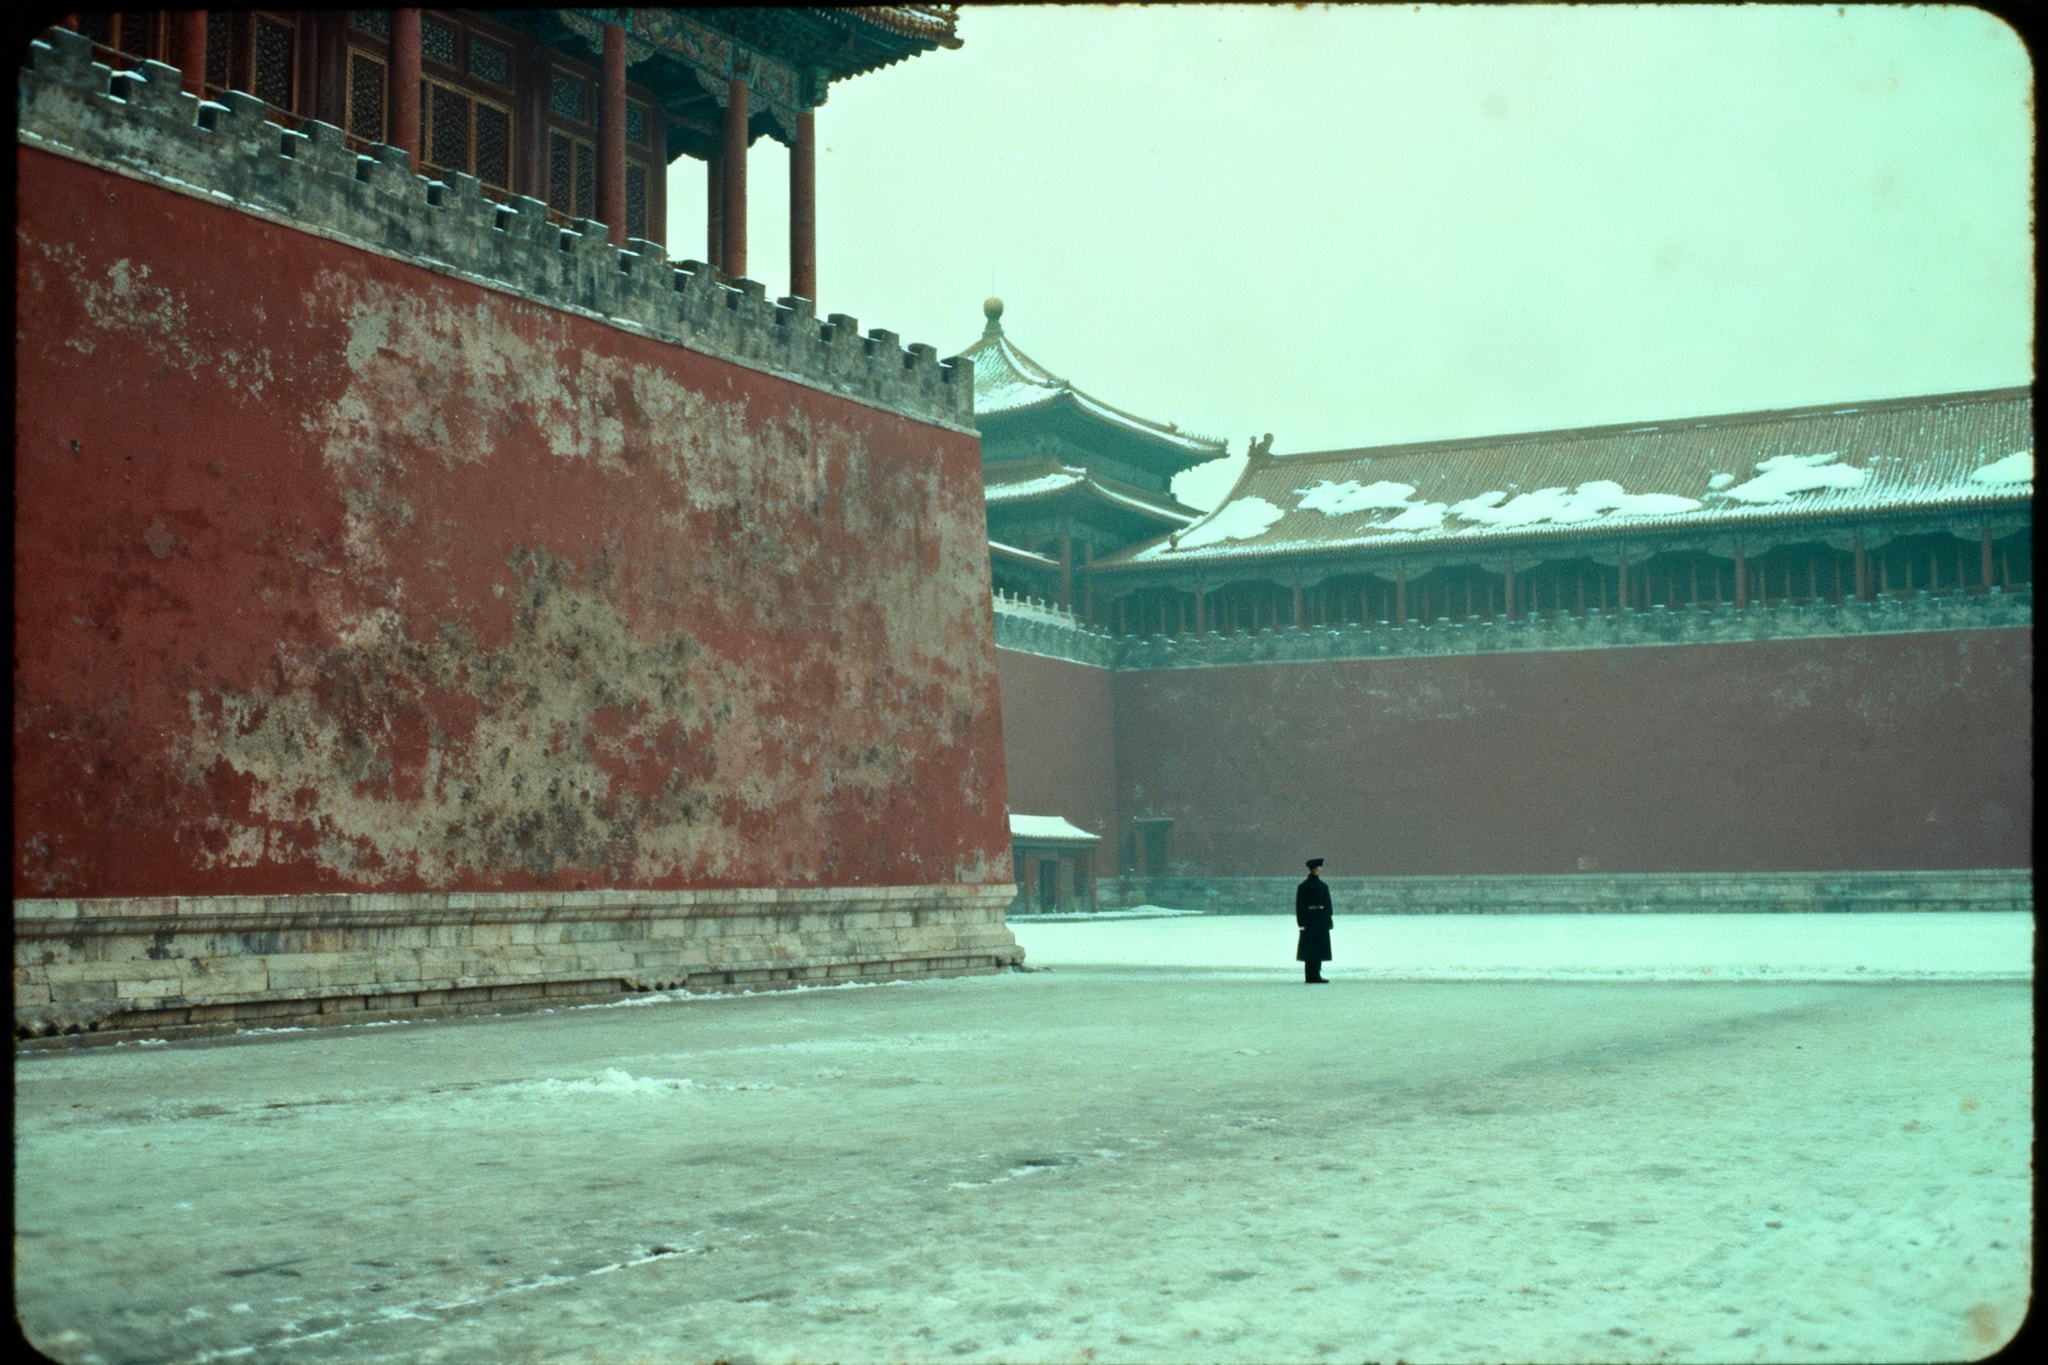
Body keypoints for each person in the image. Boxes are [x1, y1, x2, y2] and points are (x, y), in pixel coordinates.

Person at [1296, 858, 1332, 984]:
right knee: (1310, 949)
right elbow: (1300, 906)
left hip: (1320, 920)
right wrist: (1301, 923)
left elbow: (1328, 905)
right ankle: (1310, 975)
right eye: (1316, 869)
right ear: (1312, 870)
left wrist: (1328, 920)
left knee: (1319, 949)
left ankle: (1316, 973)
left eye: (1319, 869)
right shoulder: (1303, 887)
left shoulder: (1323, 886)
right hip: (1310, 920)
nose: (1318, 871)